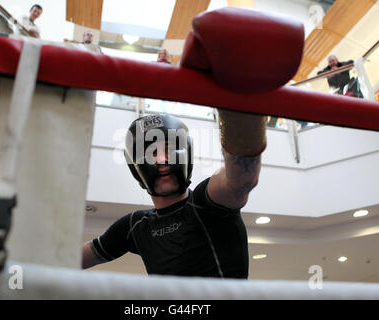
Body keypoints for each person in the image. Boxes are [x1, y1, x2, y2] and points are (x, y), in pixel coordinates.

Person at [82, 109, 266, 279]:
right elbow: (70, 257)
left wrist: (238, 108)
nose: (162, 159)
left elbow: (242, 178)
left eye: (170, 150)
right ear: (135, 167)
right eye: (152, 152)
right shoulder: (136, 226)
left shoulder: (206, 203)